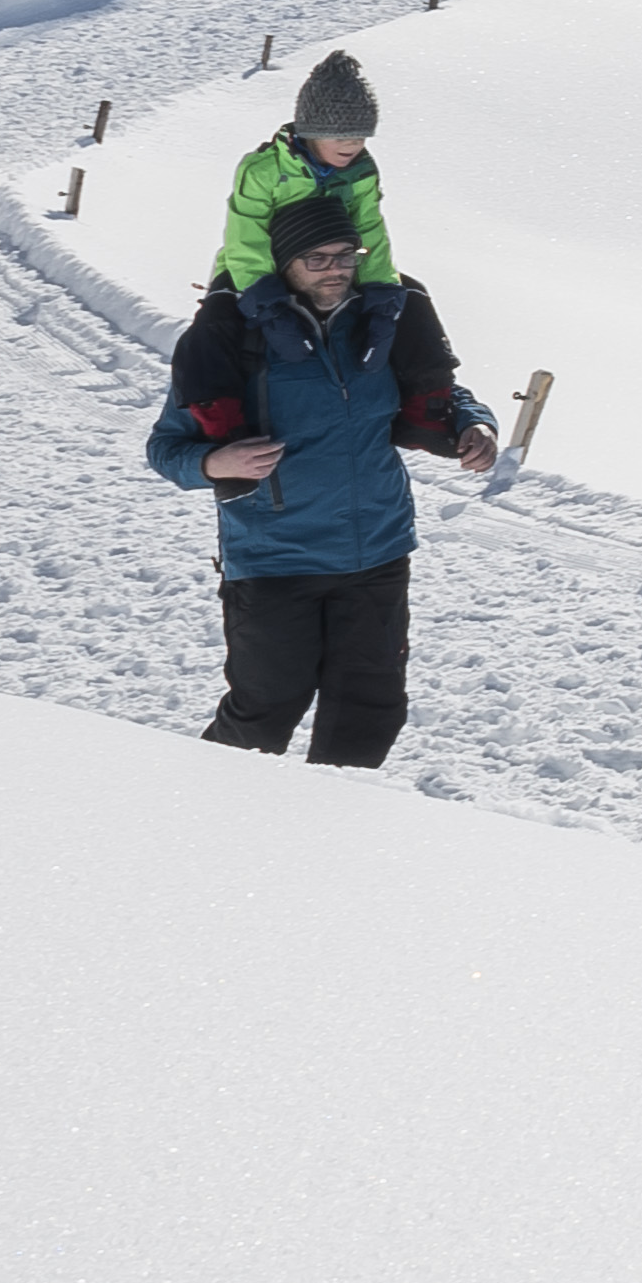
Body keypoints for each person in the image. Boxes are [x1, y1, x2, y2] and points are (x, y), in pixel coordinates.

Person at [148, 186, 501, 762]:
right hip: (275, 558)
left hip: (378, 552)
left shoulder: (380, 323)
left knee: (372, 711)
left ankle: (333, 837)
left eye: (346, 255)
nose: (336, 270)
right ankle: (208, 826)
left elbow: (438, 390)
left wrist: (471, 422)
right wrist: (214, 464)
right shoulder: (235, 338)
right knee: (264, 714)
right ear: (284, 266)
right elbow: (166, 448)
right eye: (318, 259)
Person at [216, 49, 401, 291]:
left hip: (332, 274)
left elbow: (368, 229)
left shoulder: (361, 171)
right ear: (311, 134)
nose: (353, 145)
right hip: (254, 276)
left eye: (361, 137)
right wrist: (260, 291)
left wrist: (378, 286)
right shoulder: (264, 170)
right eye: (339, 137)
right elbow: (246, 236)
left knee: (413, 299)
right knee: (219, 321)